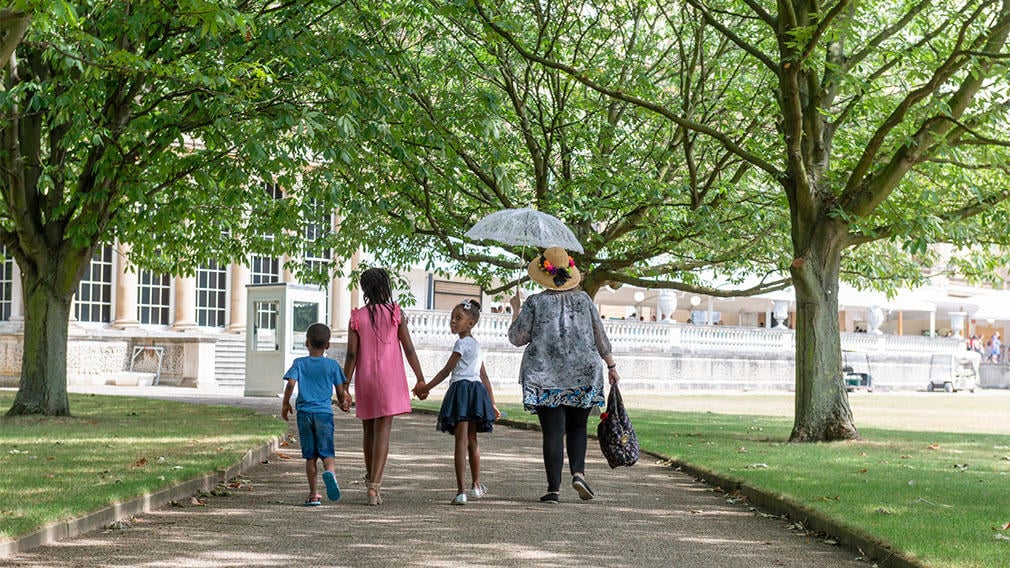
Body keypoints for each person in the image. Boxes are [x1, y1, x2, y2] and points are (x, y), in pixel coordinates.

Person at [507, 246, 620, 504]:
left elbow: (517, 338)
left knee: (553, 432)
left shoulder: (535, 303)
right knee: (578, 426)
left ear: (543, 274)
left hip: (545, 376)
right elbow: (600, 335)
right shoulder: (584, 301)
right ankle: (578, 473)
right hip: (583, 373)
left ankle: (553, 489)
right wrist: (612, 366)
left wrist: (516, 308)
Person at [343, 267, 426, 506]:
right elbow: (408, 348)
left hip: (365, 377)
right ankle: (374, 486)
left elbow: (350, 355)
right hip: (390, 378)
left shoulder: (356, 317)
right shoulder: (395, 313)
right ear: (385, 287)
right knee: (383, 431)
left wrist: (344, 387)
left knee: (368, 430)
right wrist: (420, 378)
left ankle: (370, 478)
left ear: (365, 289)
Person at [413, 299, 501, 505]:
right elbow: (484, 377)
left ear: (470, 323)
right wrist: (492, 402)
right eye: (452, 318)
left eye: (458, 318)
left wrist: (426, 387)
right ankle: (476, 486)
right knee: (472, 442)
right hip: (477, 392)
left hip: (462, 392)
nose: (453, 321)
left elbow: (447, 370)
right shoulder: (477, 345)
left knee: (460, 443)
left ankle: (461, 491)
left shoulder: (461, 344)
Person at [281, 323, 349, 506]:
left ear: (306, 343)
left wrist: (285, 403)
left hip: (304, 413)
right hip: (324, 414)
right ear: (328, 345)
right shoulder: (332, 365)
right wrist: (343, 403)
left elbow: (290, 384)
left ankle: (313, 494)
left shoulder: (299, 363)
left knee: (310, 456)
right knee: (327, 451)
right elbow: (340, 390)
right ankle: (331, 474)